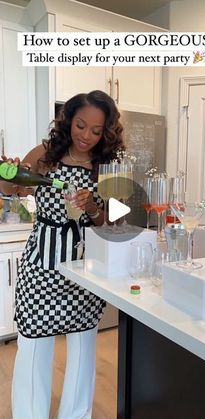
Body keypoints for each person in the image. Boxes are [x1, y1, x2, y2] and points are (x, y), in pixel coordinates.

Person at [0, 90, 124, 419]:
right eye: (80, 125)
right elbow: (14, 189)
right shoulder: (47, 154)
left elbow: (114, 221)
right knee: (35, 344)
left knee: (83, 346)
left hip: (86, 267)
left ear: (106, 133)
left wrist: (94, 206)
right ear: (69, 121)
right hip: (42, 262)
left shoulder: (107, 167)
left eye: (96, 131)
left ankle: (76, 415)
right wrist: (7, 175)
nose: (86, 136)